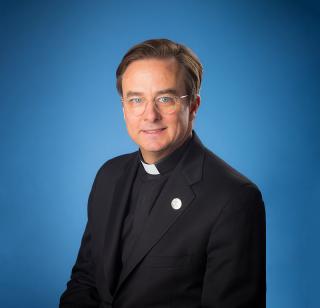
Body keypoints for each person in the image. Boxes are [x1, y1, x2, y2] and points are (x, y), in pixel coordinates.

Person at [60, 38, 266, 308]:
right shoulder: (108, 176)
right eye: (136, 99)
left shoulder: (234, 198)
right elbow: (85, 281)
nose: (150, 115)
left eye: (165, 99)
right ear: (123, 107)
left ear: (193, 105)